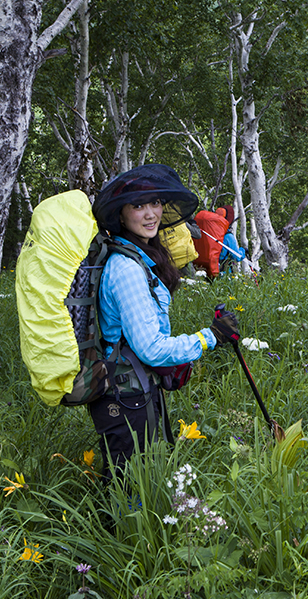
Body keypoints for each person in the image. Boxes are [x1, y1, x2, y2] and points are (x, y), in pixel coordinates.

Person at [89, 164, 239, 479]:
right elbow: (152, 349)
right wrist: (211, 336)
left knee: (132, 483)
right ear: (120, 213)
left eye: (155, 202)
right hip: (125, 397)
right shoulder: (126, 268)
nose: (150, 213)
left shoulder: (135, 257)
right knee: (129, 491)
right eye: (138, 205)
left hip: (132, 391)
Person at [192, 203, 247, 278]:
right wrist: (243, 251)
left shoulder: (205, 232)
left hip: (200, 269)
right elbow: (236, 256)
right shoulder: (228, 236)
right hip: (221, 273)